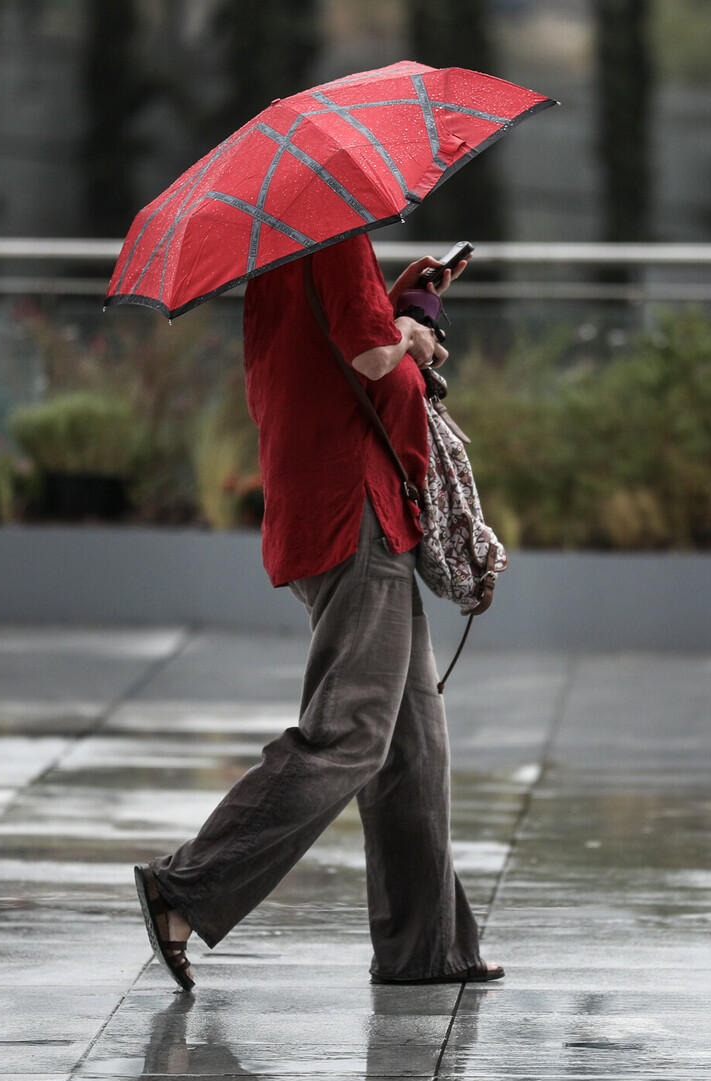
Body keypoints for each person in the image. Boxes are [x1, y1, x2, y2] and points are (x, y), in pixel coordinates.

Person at [133, 232, 502, 988]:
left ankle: (426, 949)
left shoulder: (290, 250)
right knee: (352, 735)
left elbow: (345, 347)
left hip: (342, 510)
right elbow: (373, 359)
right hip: (351, 513)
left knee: (412, 751)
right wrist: (414, 333)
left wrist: (406, 298)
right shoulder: (332, 239)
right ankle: (187, 885)